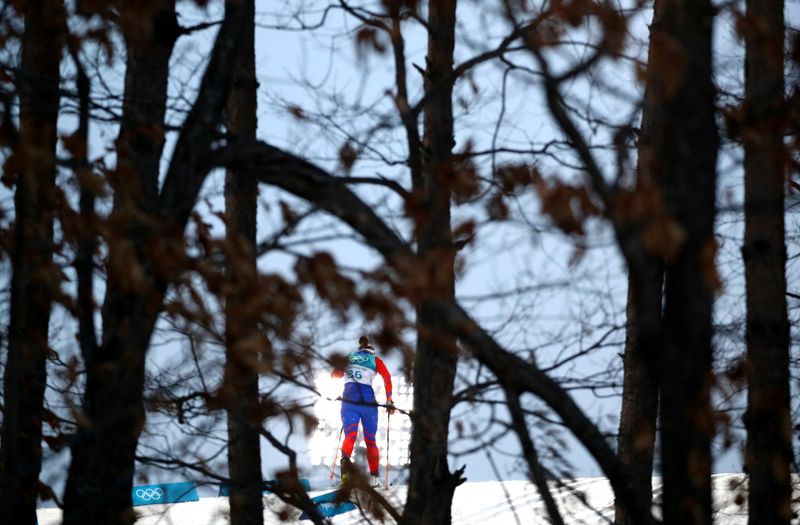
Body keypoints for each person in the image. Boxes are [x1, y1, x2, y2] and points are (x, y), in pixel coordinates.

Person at [331, 335, 395, 486]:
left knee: (350, 437)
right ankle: (374, 478)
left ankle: (345, 476)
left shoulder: (349, 357)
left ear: (360, 349)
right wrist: (389, 400)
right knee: (370, 440)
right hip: (368, 405)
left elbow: (335, 375)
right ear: (372, 350)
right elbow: (387, 378)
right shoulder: (375, 360)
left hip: (349, 402)